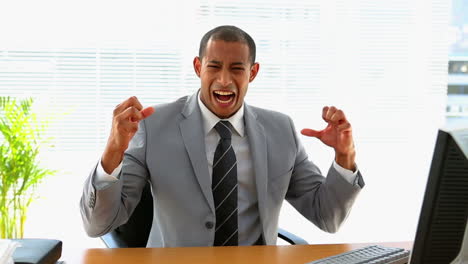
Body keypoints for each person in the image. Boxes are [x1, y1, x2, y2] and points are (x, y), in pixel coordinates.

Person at [80, 25, 364, 247]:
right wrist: (113, 151)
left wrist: (344, 156)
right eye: (214, 66)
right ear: (197, 67)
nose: (224, 80)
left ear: (252, 73)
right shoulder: (154, 126)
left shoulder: (281, 130)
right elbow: (98, 224)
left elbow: (327, 216)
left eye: (237, 69)